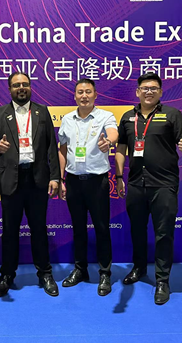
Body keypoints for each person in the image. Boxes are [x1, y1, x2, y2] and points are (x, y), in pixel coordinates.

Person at [115, 73, 182, 305]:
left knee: (163, 234)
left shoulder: (172, 115)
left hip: (164, 185)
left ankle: (162, 281)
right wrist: (119, 176)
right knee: (137, 231)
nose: (148, 92)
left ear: (160, 92)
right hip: (135, 184)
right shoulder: (128, 117)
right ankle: (139, 268)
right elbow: (121, 148)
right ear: (137, 92)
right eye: (144, 88)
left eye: (153, 88)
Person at [0, 72, 61, 297]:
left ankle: (45, 273)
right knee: (9, 231)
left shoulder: (42, 111)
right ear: (9, 89)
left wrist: (55, 177)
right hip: (11, 180)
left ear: (30, 87)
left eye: (25, 84)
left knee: (39, 229)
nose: (21, 88)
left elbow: (51, 146)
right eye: (16, 85)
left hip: (37, 179)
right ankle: (7, 275)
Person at [58, 79, 118, 296]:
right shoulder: (67, 119)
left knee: (101, 228)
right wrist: (60, 178)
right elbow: (62, 149)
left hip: (97, 182)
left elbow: (113, 133)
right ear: (74, 96)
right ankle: (80, 269)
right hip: (73, 181)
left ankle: (105, 273)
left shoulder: (105, 116)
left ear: (95, 95)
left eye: (88, 92)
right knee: (78, 228)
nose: (84, 96)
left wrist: (108, 142)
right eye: (80, 92)